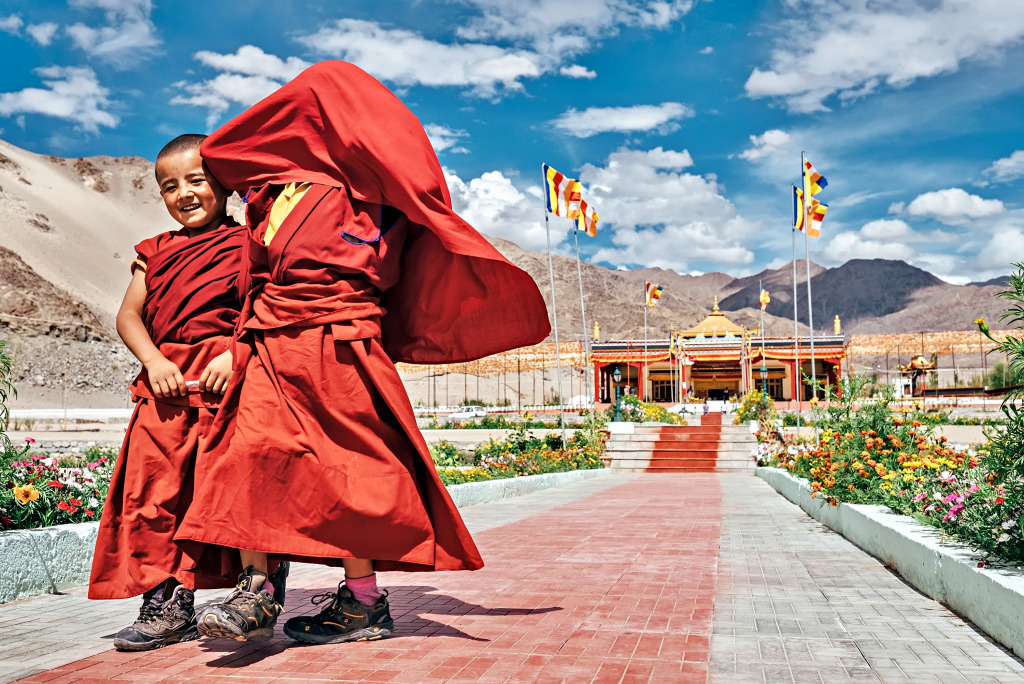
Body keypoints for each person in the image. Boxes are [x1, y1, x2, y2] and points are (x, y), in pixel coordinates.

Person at [173, 60, 551, 645]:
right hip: (269, 346)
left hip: (339, 350)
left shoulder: (373, 191)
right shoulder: (270, 193)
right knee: (246, 456)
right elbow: (255, 277)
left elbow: (384, 262)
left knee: (351, 474)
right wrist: (236, 344)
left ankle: (364, 603)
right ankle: (256, 591)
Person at [88, 134, 257, 651]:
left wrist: (235, 354)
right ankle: (165, 603)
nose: (184, 193)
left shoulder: (251, 245)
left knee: (227, 495)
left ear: (224, 184)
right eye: (169, 186)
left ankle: (256, 590)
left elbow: (262, 310)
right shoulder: (154, 252)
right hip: (163, 388)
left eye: (197, 180)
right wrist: (155, 359)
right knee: (153, 497)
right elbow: (128, 316)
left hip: (226, 387)